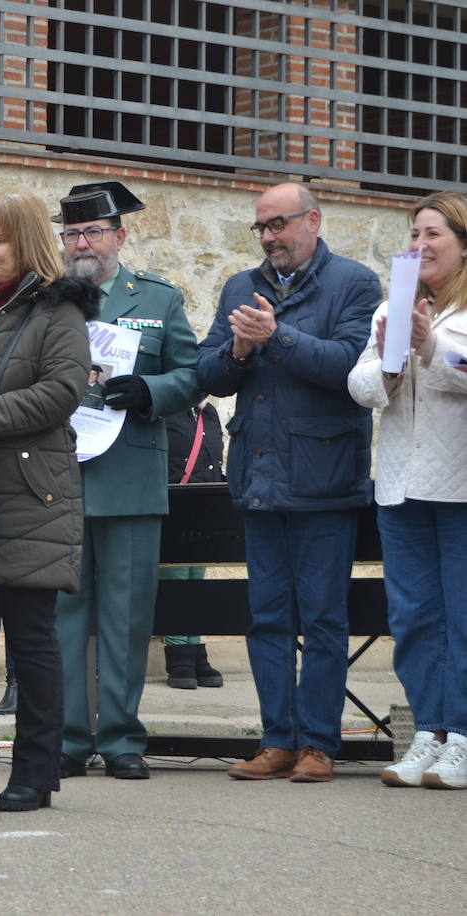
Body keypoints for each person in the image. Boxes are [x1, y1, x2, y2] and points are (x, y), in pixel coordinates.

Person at [198, 183, 380, 783]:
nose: (270, 237)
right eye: (262, 227)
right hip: (260, 476)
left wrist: (276, 336)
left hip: (324, 477)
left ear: (314, 221)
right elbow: (209, 373)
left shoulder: (353, 283)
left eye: (279, 224)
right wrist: (241, 351)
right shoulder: (237, 285)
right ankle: (277, 740)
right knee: (268, 616)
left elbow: (350, 368)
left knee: (324, 617)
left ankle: (320, 745)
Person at [0, 192, 97, 813]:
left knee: (31, 644)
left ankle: (35, 773)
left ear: (26, 243)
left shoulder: (57, 311)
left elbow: (60, 391)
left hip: (31, 494)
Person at [52, 181, 202, 782]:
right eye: (71, 234)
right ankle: (63, 736)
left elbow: (193, 373)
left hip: (131, 476)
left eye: (92, 233)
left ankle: (119, 737)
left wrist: (150, 391)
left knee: (126, 616)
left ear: (120, 236)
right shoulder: (48, 299)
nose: (81, 245)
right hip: (60, 476)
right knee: (63, 617)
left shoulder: (158, 300)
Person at [348, 191, 467, 790]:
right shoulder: (394, 304)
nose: (419, 246)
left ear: (463, 244)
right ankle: (428, 731)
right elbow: (360, 381)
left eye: (433, 234)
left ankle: (464, 739)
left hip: (462, 487)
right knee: (416, 617)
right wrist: (393, 361)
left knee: (463, 616)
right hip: (401, 484)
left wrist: (429, 345)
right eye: (413, 235)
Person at [160, 400, 226, 690]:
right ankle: (178, 657)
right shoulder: (168, 411)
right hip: (173, 507)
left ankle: (196, 651)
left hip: (203, 511)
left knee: (196, 582)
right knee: (175, 581)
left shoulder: (208, 413)